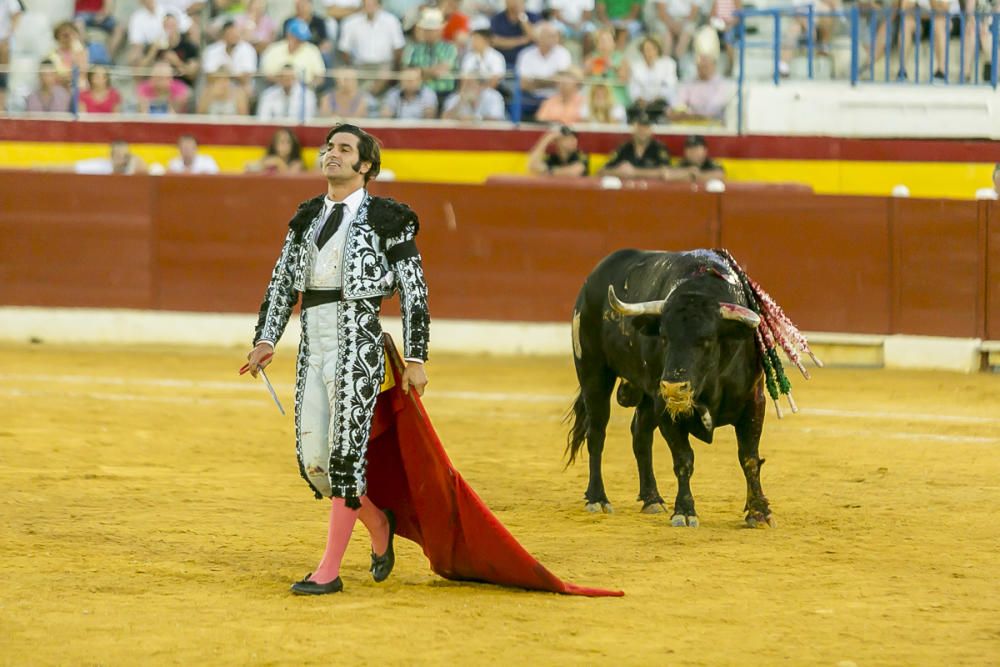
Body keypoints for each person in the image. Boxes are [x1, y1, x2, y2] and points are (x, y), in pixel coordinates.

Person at [244, 123, 430, 596]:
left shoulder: (389, 217)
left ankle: (328, 570)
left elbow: (413, 291)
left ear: (365, 165)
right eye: (329, 148)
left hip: (359, 338)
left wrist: (416, 357)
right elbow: (282, 282)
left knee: (345, 457)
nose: (332, 154)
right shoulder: (306, 216)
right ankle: (377, 523)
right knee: (315, 464)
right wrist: (266, 339)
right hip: (314, 340)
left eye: (344, 149)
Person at [337, 0, 406, 94]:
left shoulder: (391, 21)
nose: (370, 7)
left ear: (379, 5)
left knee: (385, 74)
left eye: (373, 4)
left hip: (384, 64)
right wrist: (351, 66)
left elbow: (398, 48)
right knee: (344, 75)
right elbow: (344, 49)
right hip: (359, 64)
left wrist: (394, 68)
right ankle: (365, 99)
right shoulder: (350, 22)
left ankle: (368, 97)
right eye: (367, 4)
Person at [402, 8, 459, 104]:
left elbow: (441, 71)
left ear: (440, 30)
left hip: (445, 92)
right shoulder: (413, 48)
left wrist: (420, 72)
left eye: (432, 30)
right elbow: (407, 72)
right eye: (426, 30)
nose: (428, 33)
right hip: (418, 93)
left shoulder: (450, 48)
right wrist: (430, 72)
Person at [599, 111, 678, 180]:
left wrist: (635, 172)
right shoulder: (624, 147)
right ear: (633, 129)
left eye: (645, 128)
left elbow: (667, 172)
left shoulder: (659, 148)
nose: (642, 131)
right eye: (639, 127)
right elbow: (602, 171)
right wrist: (617, 172)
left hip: (652, 193)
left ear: (651, 130)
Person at [260, 18, 327, 87]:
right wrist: (286, 83)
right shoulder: (274, 49)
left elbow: (320, 77)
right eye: (298, 39)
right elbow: (266, 74)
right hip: (277, 88)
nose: (301, 42)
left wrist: (310, 87)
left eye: (303, 39)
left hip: (305, 88)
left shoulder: (312, 50)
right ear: (289, 35)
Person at [202, 20, 258, 96]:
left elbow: (245, 79)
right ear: (223, 35)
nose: (234, 36)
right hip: (217, 87)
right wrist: (233, 75)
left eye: (236, 34)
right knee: (207, 90)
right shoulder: (212, 50)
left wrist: (226, 71)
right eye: (230, 34)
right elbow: (209, 77)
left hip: (240, 88)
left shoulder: (248, 49)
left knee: (247, 89)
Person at [627, 36, 676, 122]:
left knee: (657, 109)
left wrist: (657, 98)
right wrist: (640, 99)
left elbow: (669, 85)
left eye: (652, 49)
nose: (649, 52)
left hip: (661, 102)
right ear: (642, 51)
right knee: (632, 111)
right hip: (641, 103)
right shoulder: (636, 67)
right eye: (646, 49)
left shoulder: (668, 63)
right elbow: (633, 87)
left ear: (657, 49)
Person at [440, 74, 506, 120]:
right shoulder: (455, 97)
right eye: (463, 84)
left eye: (470, 84)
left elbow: (497, 119)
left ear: (481, 86)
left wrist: (475, 119)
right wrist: (460, 102)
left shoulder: (493, 96)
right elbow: (444, 119)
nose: (466, 87)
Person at [74, 140, 147, 174]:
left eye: (125, 156)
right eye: (118, 155)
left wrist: (132, 163)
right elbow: (75, 167)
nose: (122, 159)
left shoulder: (133, 165)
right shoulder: (102, 165)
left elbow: (148, 171)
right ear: (111, 156)